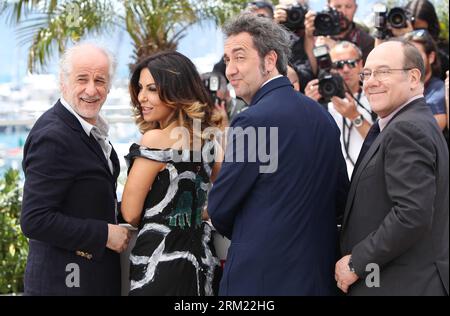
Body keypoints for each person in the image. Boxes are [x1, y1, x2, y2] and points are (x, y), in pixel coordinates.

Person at [207, 13, 349, 295]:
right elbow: (340, 200)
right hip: (318, 278)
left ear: (270, 60)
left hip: (261, 279)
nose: (230, 70)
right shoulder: (323, 117)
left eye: (239, 57)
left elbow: (220, 206)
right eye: (226, 61)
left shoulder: (252, 119)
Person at [336, 40, 449, 295]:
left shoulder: (406, 129)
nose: (371, 81)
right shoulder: (406, 123)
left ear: (413, 77)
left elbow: (412, 215)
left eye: (383, 72)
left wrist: (356, 263)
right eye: (367, 73)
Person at [20, 43, 130, 295]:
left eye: (100, 80)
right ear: (63, 81)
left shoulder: (88, 129)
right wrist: (103, 234)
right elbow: (34, 220)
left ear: (109, 86)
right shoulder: (54, 136)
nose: (92, 89)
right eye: (82, 79)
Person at [121, 51, 223, 296]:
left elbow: (130, 213)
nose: (142, 98)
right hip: (202, 262)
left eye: (152, 89)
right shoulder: (209, 141)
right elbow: (224, 196)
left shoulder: (155, 140)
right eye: (140, 88)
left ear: (176, 90)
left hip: (159, 264)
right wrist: (196, 213)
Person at [305, 41, 374, 178]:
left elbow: (381, 144)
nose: (346, 70)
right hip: (334, 183)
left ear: (361, 65)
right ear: (330, 68)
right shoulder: (320, 104)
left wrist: (355, 117)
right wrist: (307, 107)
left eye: (351, 63)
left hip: (367, 179)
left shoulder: (375, 98)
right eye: (339, 65)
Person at [304, 0, 374, 69]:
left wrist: (336, 47)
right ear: (328, 6)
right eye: (338, 7)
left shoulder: (366, 41)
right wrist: (309, 37)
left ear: (355, 8)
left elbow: (365, 74)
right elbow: (312, 72)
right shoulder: (316, 32)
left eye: (348, 7)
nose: (343, 12)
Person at [404, 29, 447, 131]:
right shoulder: (403, 88)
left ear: (431, 57)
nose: (412, 62)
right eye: (407, 56)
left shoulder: (439, 92)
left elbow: (421, 135)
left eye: (417, 56)